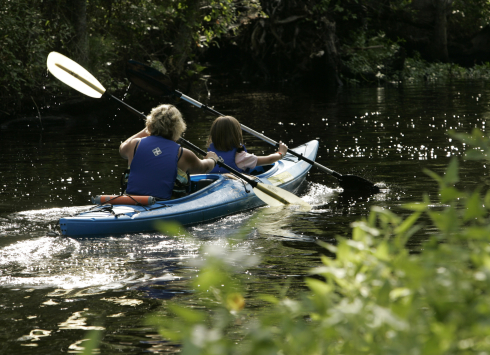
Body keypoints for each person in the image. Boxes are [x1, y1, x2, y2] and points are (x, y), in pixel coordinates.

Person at [119, 104, 218, 199]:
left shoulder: (134, 145)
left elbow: (122, 148)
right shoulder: (183, 154)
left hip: (132, 202)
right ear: (178, 127)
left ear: (150, 124)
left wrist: (148, 128)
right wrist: (212, 159)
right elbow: (204, 167)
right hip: (166, 205)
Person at [207, 116, 288, 174]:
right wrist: (281, 153)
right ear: (236, 135)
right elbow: (269, 160)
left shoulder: (209, 156)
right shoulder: (242, 157)